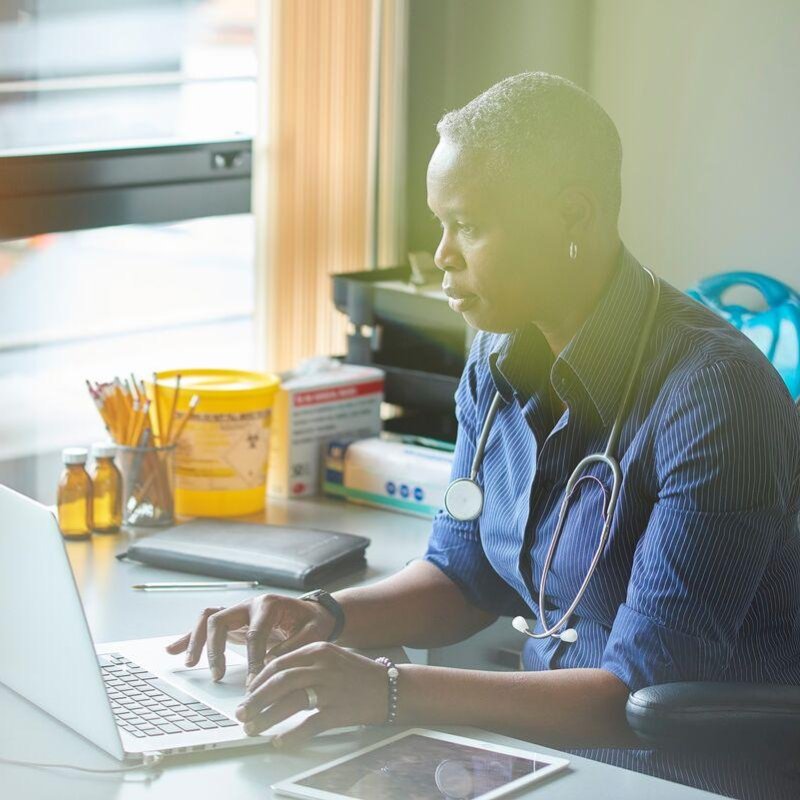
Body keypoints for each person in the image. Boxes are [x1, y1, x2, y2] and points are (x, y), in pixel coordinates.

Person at [167, 73, 800, 799]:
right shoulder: (495, 355)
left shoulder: (718, 394)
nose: (440, 256)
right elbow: (463, 576)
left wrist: (389, 689)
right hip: (540, 756)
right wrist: (324, 619)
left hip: (684, 775)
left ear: (573, 216)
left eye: (467, 226)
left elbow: (635, 698)